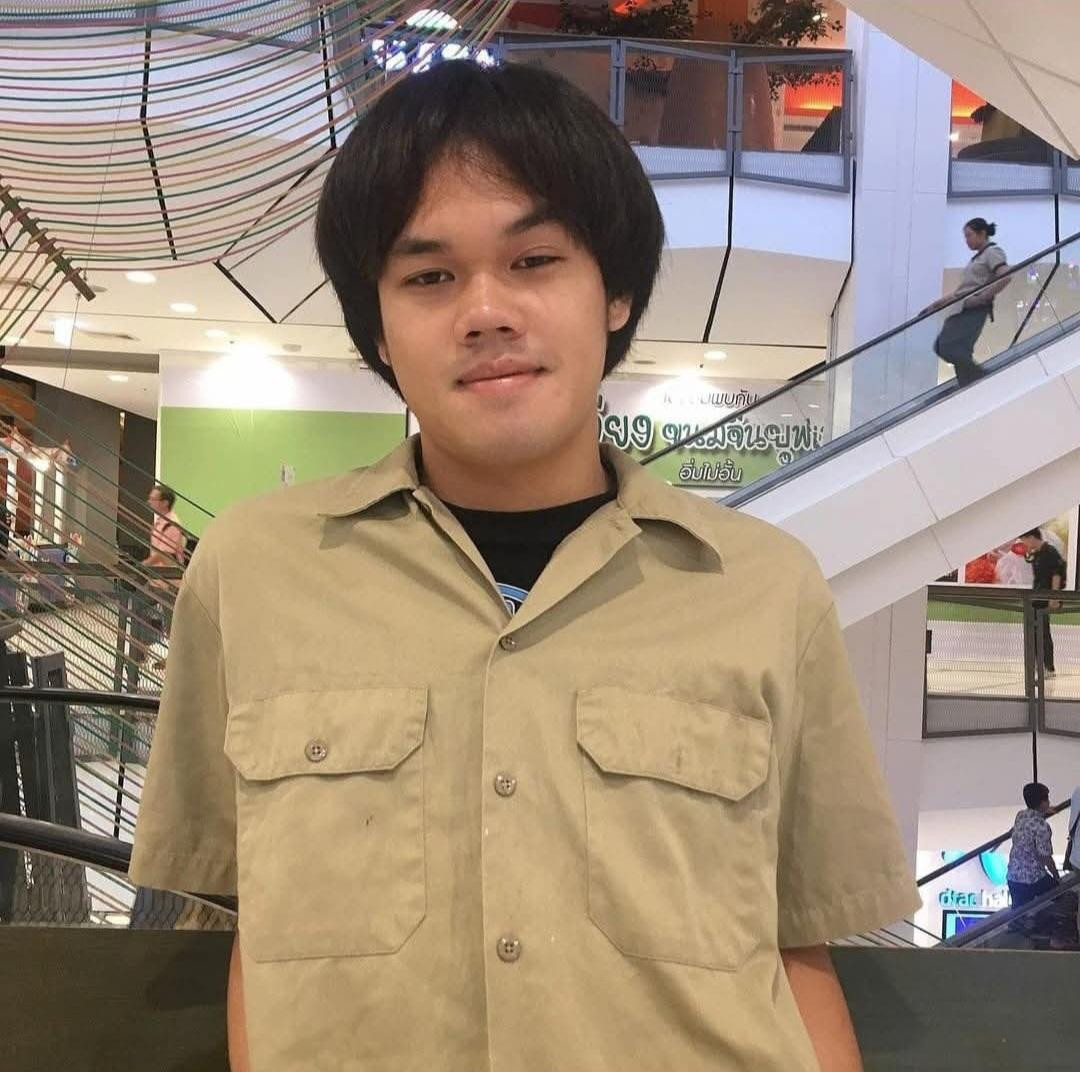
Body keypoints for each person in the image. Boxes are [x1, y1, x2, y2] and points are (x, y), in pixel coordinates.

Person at [130, 60, 919, 1072]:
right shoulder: (253, 572)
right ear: (379, 327)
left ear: (615, 292)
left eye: (536, 259)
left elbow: (798, 947)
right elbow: (253, 929)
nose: (486, 311)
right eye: (429, 277)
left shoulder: (766, 588)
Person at [924, 217, 1010, 386]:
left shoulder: (992, 252)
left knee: (947, 346)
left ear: (982, 234)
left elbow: (1005, 275)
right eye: (965, 236)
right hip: (962, 307)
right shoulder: (977, 258)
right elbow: (961, 292)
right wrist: (935, 305)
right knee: (955, 348)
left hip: (973, 309)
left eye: (969, 235)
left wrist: (984, 297)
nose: (967, 240)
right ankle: (968, 382)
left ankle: (980, 377)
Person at [130, 484, 185, 672]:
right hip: (157, 579)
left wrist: (143, 565)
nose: (149, 502)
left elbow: (164, 554)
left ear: (165, 503)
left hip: (169, 581)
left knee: (171, 622)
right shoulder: (159, 523)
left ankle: (173, 659)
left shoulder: (172, 524)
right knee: (138, 605)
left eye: (153, 499)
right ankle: (141, 649)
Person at [1006, 782, 1060, 923]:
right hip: (1032, 879)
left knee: (1018, 912)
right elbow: (1045, 857)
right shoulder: (1042, 826)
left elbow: (1029, 824)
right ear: (1042, 803)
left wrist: (1043, 812)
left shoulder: (1021, 815)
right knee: (1061, 894)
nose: (1049, 802)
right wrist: (1056, 876)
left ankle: (1020, 924)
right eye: (1046, 799)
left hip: (1013, 875)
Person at [1019, 527, 1066, 676]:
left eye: (1025, 541)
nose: (1024, 544)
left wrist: (1054, 596)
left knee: (1043, 632)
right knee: (1034, 632)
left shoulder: (1050, 552)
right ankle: (1037, 665)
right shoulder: (1036, 553)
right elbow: (1029, 559)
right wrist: (1029, 551)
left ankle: (1048, 667)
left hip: (1046, 596)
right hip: (1036, 596)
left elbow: (1057, 574)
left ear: (1032, 538)